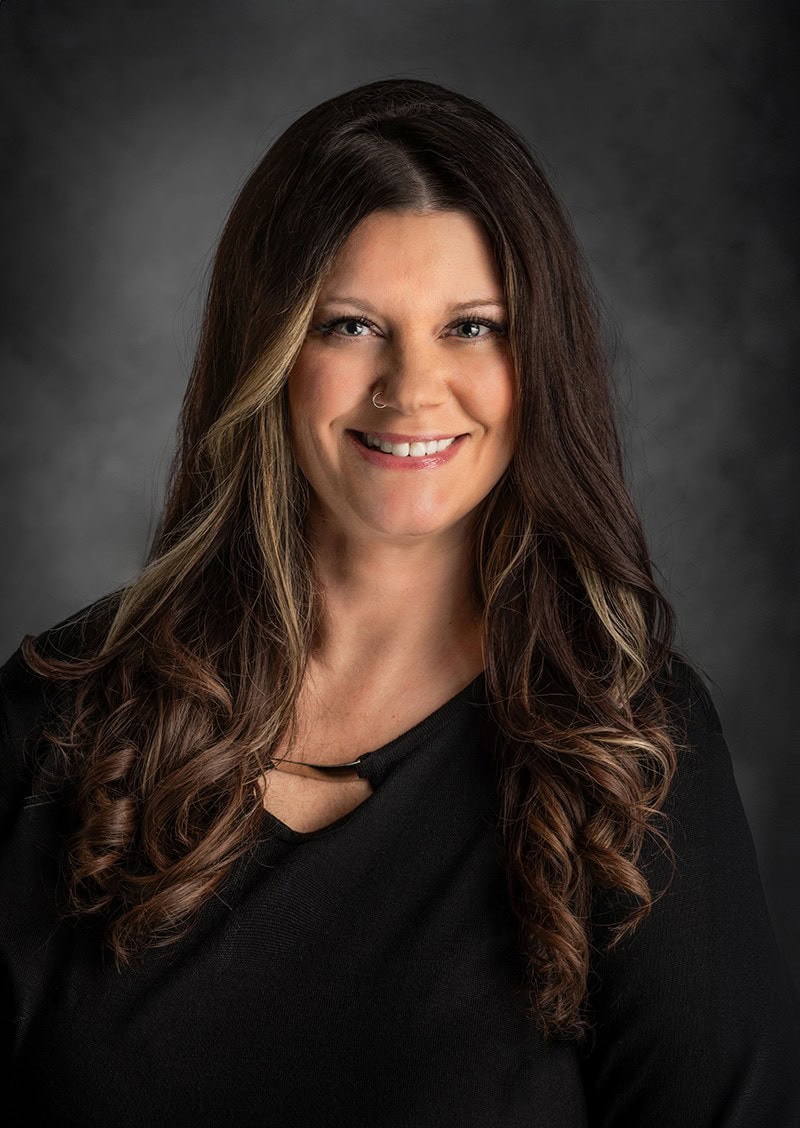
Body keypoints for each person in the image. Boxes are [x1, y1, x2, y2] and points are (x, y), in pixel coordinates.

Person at [1, 77, 798, 1127]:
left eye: (470, 327)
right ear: (268, 352)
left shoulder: (633, 750)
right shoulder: (61, 713)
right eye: (350, 326)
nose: (412, 388)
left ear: (538, 359)